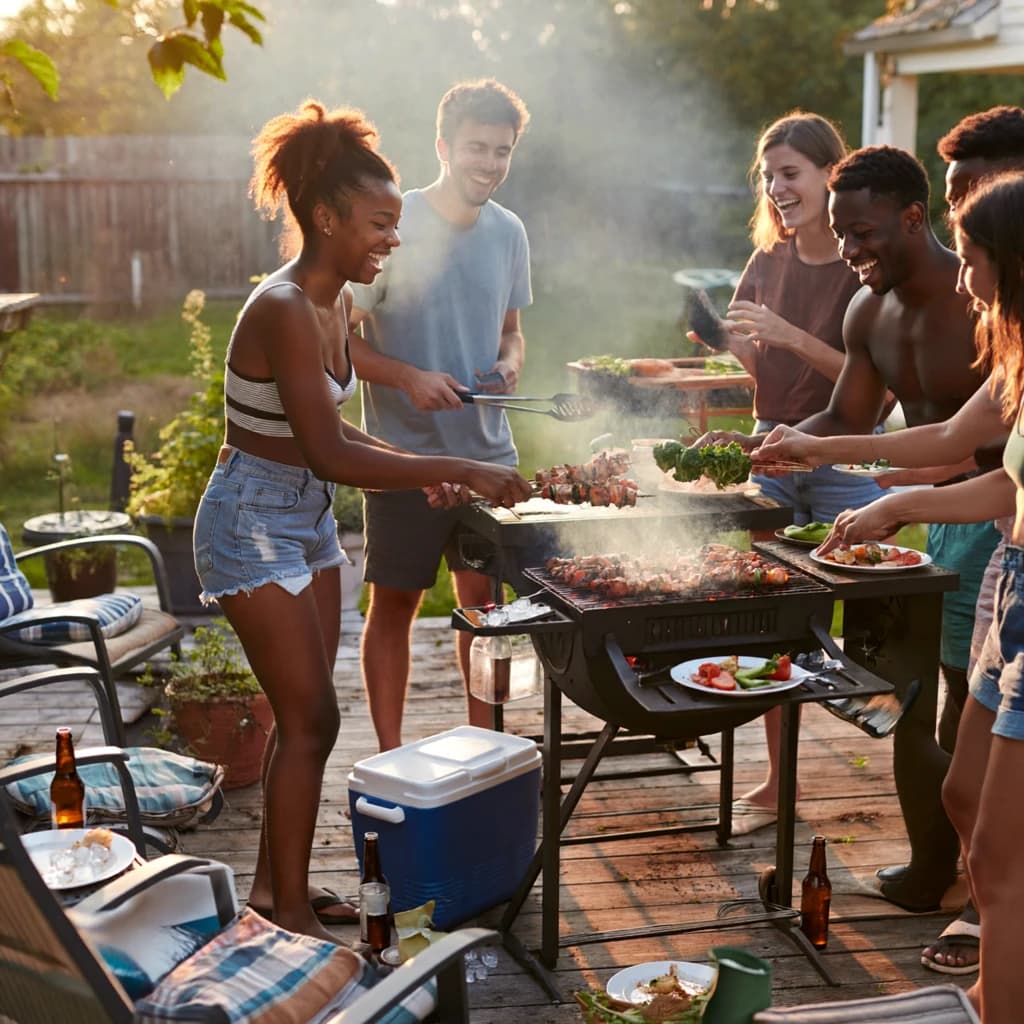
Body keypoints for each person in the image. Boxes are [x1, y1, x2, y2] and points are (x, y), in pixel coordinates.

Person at [192, 99, 531, 943]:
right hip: (248, 523)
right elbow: (330, 451)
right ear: (325, 218)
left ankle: (276, 889)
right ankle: (288, 911)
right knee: (313, 719)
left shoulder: (335, 303)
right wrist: (454, 468)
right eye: (379, 225)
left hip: (303, 520)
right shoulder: (280, 306)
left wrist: (431, 472)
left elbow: (341, 438)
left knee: (304, 718)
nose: (394, 238)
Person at [755, 109, 1024, 972]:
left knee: (975, 729)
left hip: (992, 534)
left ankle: (987, 914)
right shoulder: (878, 312)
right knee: (939, 729)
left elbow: (992, 467)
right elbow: (918, 433)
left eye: (973, 252)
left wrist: (903, 495)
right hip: (964, 532)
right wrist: (801, 447)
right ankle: (951, 878)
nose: (850, 252)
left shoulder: (983, 312)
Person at [687, 111, 887, 834]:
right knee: (773, 619)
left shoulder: (865, 266)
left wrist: (790, 335)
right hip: (772, 455)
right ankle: (780, 783)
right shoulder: (766, 261)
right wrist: (727, 340)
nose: (777, 187)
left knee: (871, 623)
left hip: (844, 460)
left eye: (791, 173)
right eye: (769, 175)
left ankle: (901, 759)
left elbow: (875, 391)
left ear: (832, 174)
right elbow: (761, 369)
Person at [348, 79, 532, 752]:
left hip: (487, 454)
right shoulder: (394, 229)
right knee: (394, 604)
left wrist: (509, 365)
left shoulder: (509, 232)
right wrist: (409, 377)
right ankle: (390, 753)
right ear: (444, 146)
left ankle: (487, 745)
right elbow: (337, 337)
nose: (490, 163)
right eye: (478, 148)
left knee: (484, 608)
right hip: (405, 458)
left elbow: (512, 333)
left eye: (502, 151)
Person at [934, 170, 1024, 1022]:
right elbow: (1010, 485)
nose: (962, 278)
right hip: (1014, 590)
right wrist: (896, 501)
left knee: (999, 861)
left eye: (970, 259)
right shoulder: (1022, 353)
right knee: (963, 793)